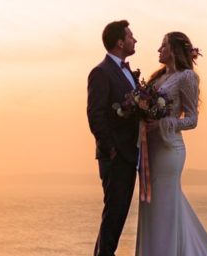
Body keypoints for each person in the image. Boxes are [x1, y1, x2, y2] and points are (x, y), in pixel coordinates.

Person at [135, 31, 207, 256]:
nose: (159, 50)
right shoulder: (157, 78)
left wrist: (163, 124)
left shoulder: (187, 77)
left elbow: (192, 120)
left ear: (174, 50)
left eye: (163, 45)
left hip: (169, 149)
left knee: (164, 204)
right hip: (149, 149)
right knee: (150, 205)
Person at [87, 20, 140, 256]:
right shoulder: (101, 72)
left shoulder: (128, 72)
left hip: (129, 155)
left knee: (116, 219)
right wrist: (111, 149)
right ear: (120, 42)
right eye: (130, 36)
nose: (134, 39)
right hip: (116, 156)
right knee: (113, 216)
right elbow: (95, 114)